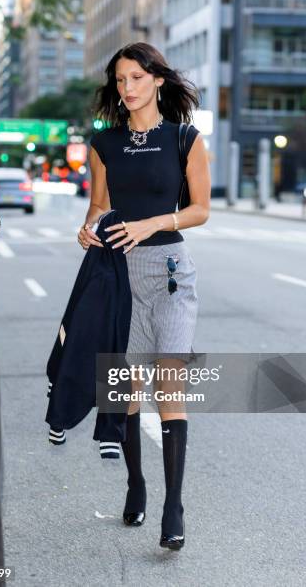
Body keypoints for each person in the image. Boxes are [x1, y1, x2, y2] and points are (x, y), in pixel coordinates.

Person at [78, 42, 211, 550]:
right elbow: (97, 208)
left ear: (158, 79)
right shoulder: (104, 143)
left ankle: (173, 506)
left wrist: (155, 221)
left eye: (136, 77)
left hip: (173, 270)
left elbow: (200, 209)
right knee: (129, 390)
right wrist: (88, 230)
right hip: (120, 274)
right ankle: (136, 483)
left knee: (169, 383)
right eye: (119, 80)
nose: (126, 88)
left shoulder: (184, 139)